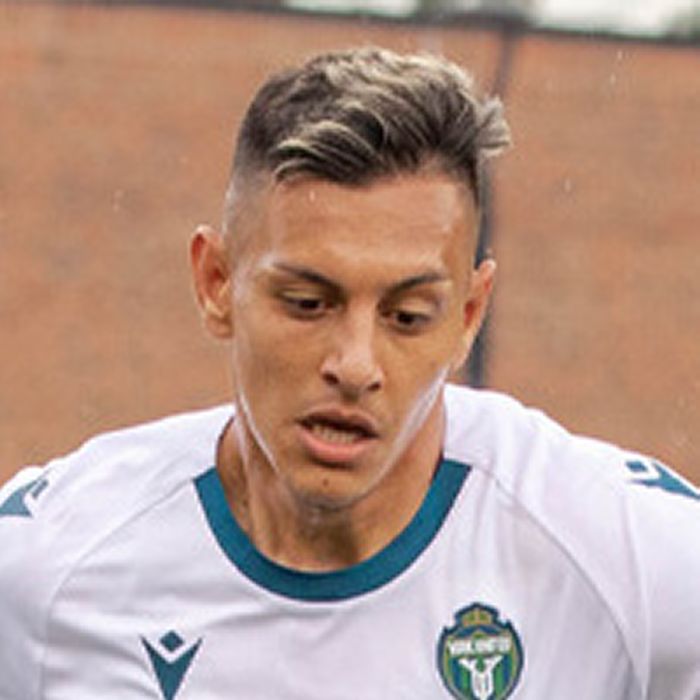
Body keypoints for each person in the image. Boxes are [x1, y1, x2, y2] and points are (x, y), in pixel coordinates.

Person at [0, 46, 698, 700]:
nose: (355, 365)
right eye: (308, 303)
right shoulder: (43, 569)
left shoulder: (632, 563)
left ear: (469, 315)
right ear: (217, 283)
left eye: (408, 316)